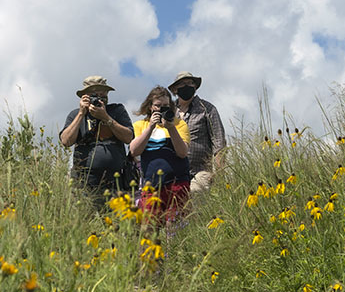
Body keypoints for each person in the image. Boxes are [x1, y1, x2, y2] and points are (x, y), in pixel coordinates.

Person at [59, 75, 134, 200]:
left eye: (103, 95)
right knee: (85, 217)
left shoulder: (117, 110)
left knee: (115, 218)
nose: (99, 99)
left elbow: (128, 138)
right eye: (95, 95)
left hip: (115, 180)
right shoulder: (75, 114)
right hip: (84, 181)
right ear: (85, 96)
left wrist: (106, 117)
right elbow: (66, 141)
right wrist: (81, 114)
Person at [129, 86, 191, 223]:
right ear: (150, 107)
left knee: (175, 230)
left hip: (177, 184)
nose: (161, 109)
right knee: (149, 228)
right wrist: (151, 127)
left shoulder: (179, 124)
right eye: (158, 106)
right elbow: (134, 151)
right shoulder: (140, 125)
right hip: (151, 186)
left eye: (165, 106)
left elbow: (182, 152)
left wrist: (171, 127)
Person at [167, 71, 226, 193]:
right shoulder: (169, 111)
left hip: (200, 170)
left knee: (196, 192)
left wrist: (220, 174)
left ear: (195, 87)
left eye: (190, 83)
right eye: (182, 84)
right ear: (175, 90)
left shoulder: (207, 109)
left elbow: (219, 144)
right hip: (173, 172)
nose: (187, 86)